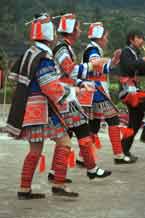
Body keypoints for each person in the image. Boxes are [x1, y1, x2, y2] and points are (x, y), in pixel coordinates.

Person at [6, 13, 81, 199]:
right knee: (64, 142)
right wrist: (71, 92)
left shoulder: (30, 53)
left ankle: (24, 189)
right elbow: (49, 86)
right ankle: (58, 184)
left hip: (29, 109)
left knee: (35, 150)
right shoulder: (44, 57)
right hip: (42, 109)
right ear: (49, 34)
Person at [48, 13, 112, 181]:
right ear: (71, 30)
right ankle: (90, 169)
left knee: (68, 135)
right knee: (82, 131)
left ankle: (56, 172)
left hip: (66, 96)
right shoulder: (62, 49)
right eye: (77, 28)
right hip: (64, 97)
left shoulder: (64, 47)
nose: (80, 30)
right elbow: (69, 70)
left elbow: (68, 73)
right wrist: (91, 66)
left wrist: (81, 82)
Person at [81, 22, 136, 164]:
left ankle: (82, 157)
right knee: (113, 120)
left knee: (94, 125)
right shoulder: (93, 50)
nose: (107, 39)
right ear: (99, 37)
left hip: (92, 91)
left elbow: (101, 67)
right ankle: (118, 154)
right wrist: (110, 60)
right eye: (105, 36)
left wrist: (112, 61)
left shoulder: (92, 49)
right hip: (97, 91)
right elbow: (96, 65)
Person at [119, 29, 145, 158]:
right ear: (131, 39)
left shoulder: (135, 53)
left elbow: (139, 70)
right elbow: (130, 67)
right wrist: (143, 61)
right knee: (135, 121)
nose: (142, 40)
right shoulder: (126, 52)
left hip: (134, 90)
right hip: (128, 90)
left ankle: (123, 149)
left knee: (134, 122)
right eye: (139, 38)